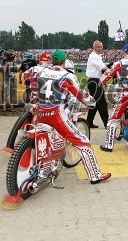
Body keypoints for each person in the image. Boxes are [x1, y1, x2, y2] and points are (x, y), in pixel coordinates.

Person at [29, 50, 111, 184]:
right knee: (83, 141)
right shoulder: (67, 76)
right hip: (55, 114)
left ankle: (45, 165)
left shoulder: (37, 71)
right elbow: (80, 94)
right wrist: (91, 103)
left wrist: (34, 98)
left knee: (47, 138)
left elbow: (30, 81)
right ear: (64, 61)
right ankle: (95, 175)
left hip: (40, 112)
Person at [86, 40, 109, 128]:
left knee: (94, 103)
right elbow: (104, 69)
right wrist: (114, 71)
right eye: (98, 47)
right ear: (94, 47)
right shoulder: (95, 56)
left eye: (101, 47)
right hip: (94, 82)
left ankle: (89, 122)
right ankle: (107, 124)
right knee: (102, 104)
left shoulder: (97, 56)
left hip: (94, 81)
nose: (100, 49)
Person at [2, 50, 16, 114]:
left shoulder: (6, 62)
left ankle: (4, 108)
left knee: (6, 94)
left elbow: (4, 70)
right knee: (12, 94)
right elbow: (16, 67)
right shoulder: (12, 62)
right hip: (11, 78)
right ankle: (11, 108)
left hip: (7, 78)